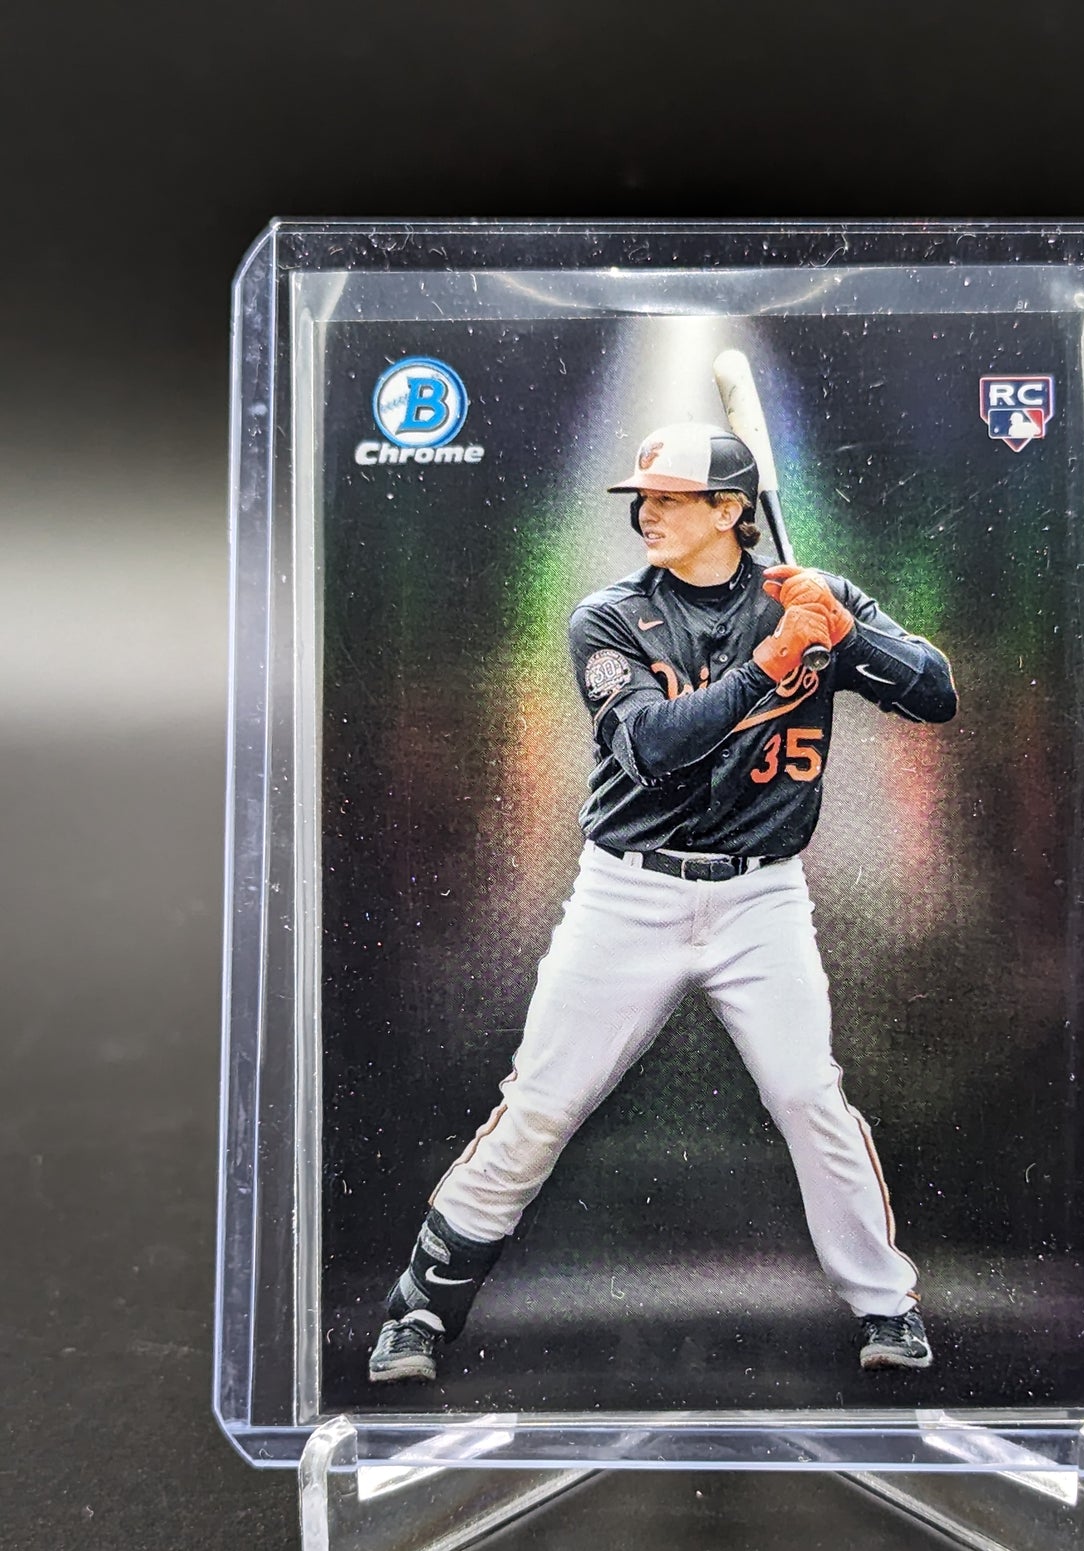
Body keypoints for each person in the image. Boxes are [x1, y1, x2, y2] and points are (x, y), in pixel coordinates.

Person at [367, 420, 958, 1385]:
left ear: (730, 510)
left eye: (672, 498)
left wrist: (847, 635)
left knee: (808, 1095)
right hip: (627, 892)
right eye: (643, 497)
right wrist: (773, 664)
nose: (647, 512)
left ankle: (887, 1307)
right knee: (543, 1102)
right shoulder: (610, 615)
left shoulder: (812, 597)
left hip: (762, 897)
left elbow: (936, 694)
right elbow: (651, 748)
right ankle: (420, 1310)